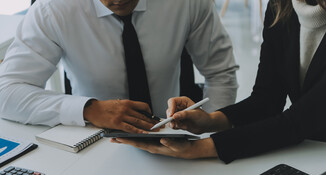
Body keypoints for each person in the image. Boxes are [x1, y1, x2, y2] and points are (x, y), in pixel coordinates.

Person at [115, 0, 326, 163]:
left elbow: (297, 121)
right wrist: (211, 121)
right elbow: (266, 99)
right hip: (308, 152)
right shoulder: (281, 8)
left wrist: (202, 148)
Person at [0, 0, 239, 133]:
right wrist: (88, 109)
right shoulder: (52, 10)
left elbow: (220, 72)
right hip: (92, 140)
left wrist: (212, 130)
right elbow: (7, 92)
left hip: (175, 134)